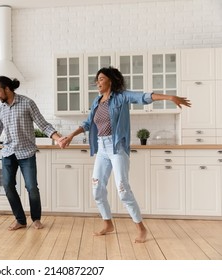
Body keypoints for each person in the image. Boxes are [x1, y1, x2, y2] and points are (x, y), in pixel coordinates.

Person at [59, 66, 191, 243]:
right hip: (101, 149)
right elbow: (88, 123)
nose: (98, 82)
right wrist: (70, 136)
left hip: (117, 148)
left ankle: (141, 228)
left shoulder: (122, 97)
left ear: (111, 80)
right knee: (97, 188)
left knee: (123, 191)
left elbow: (144, 97)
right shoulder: (97, 102)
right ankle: (108, 224)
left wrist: (169, 97)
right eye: (97, 79)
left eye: (101, 79)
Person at [0, 76, 62, 231]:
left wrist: (58, 138)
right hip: (8, 153)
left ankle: (36, 219)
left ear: (7, 89)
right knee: (7, 186)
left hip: (26, 152)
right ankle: (20, 220)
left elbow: (43, 124)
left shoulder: (27, 103)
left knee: (31, 187)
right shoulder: (1, 109)